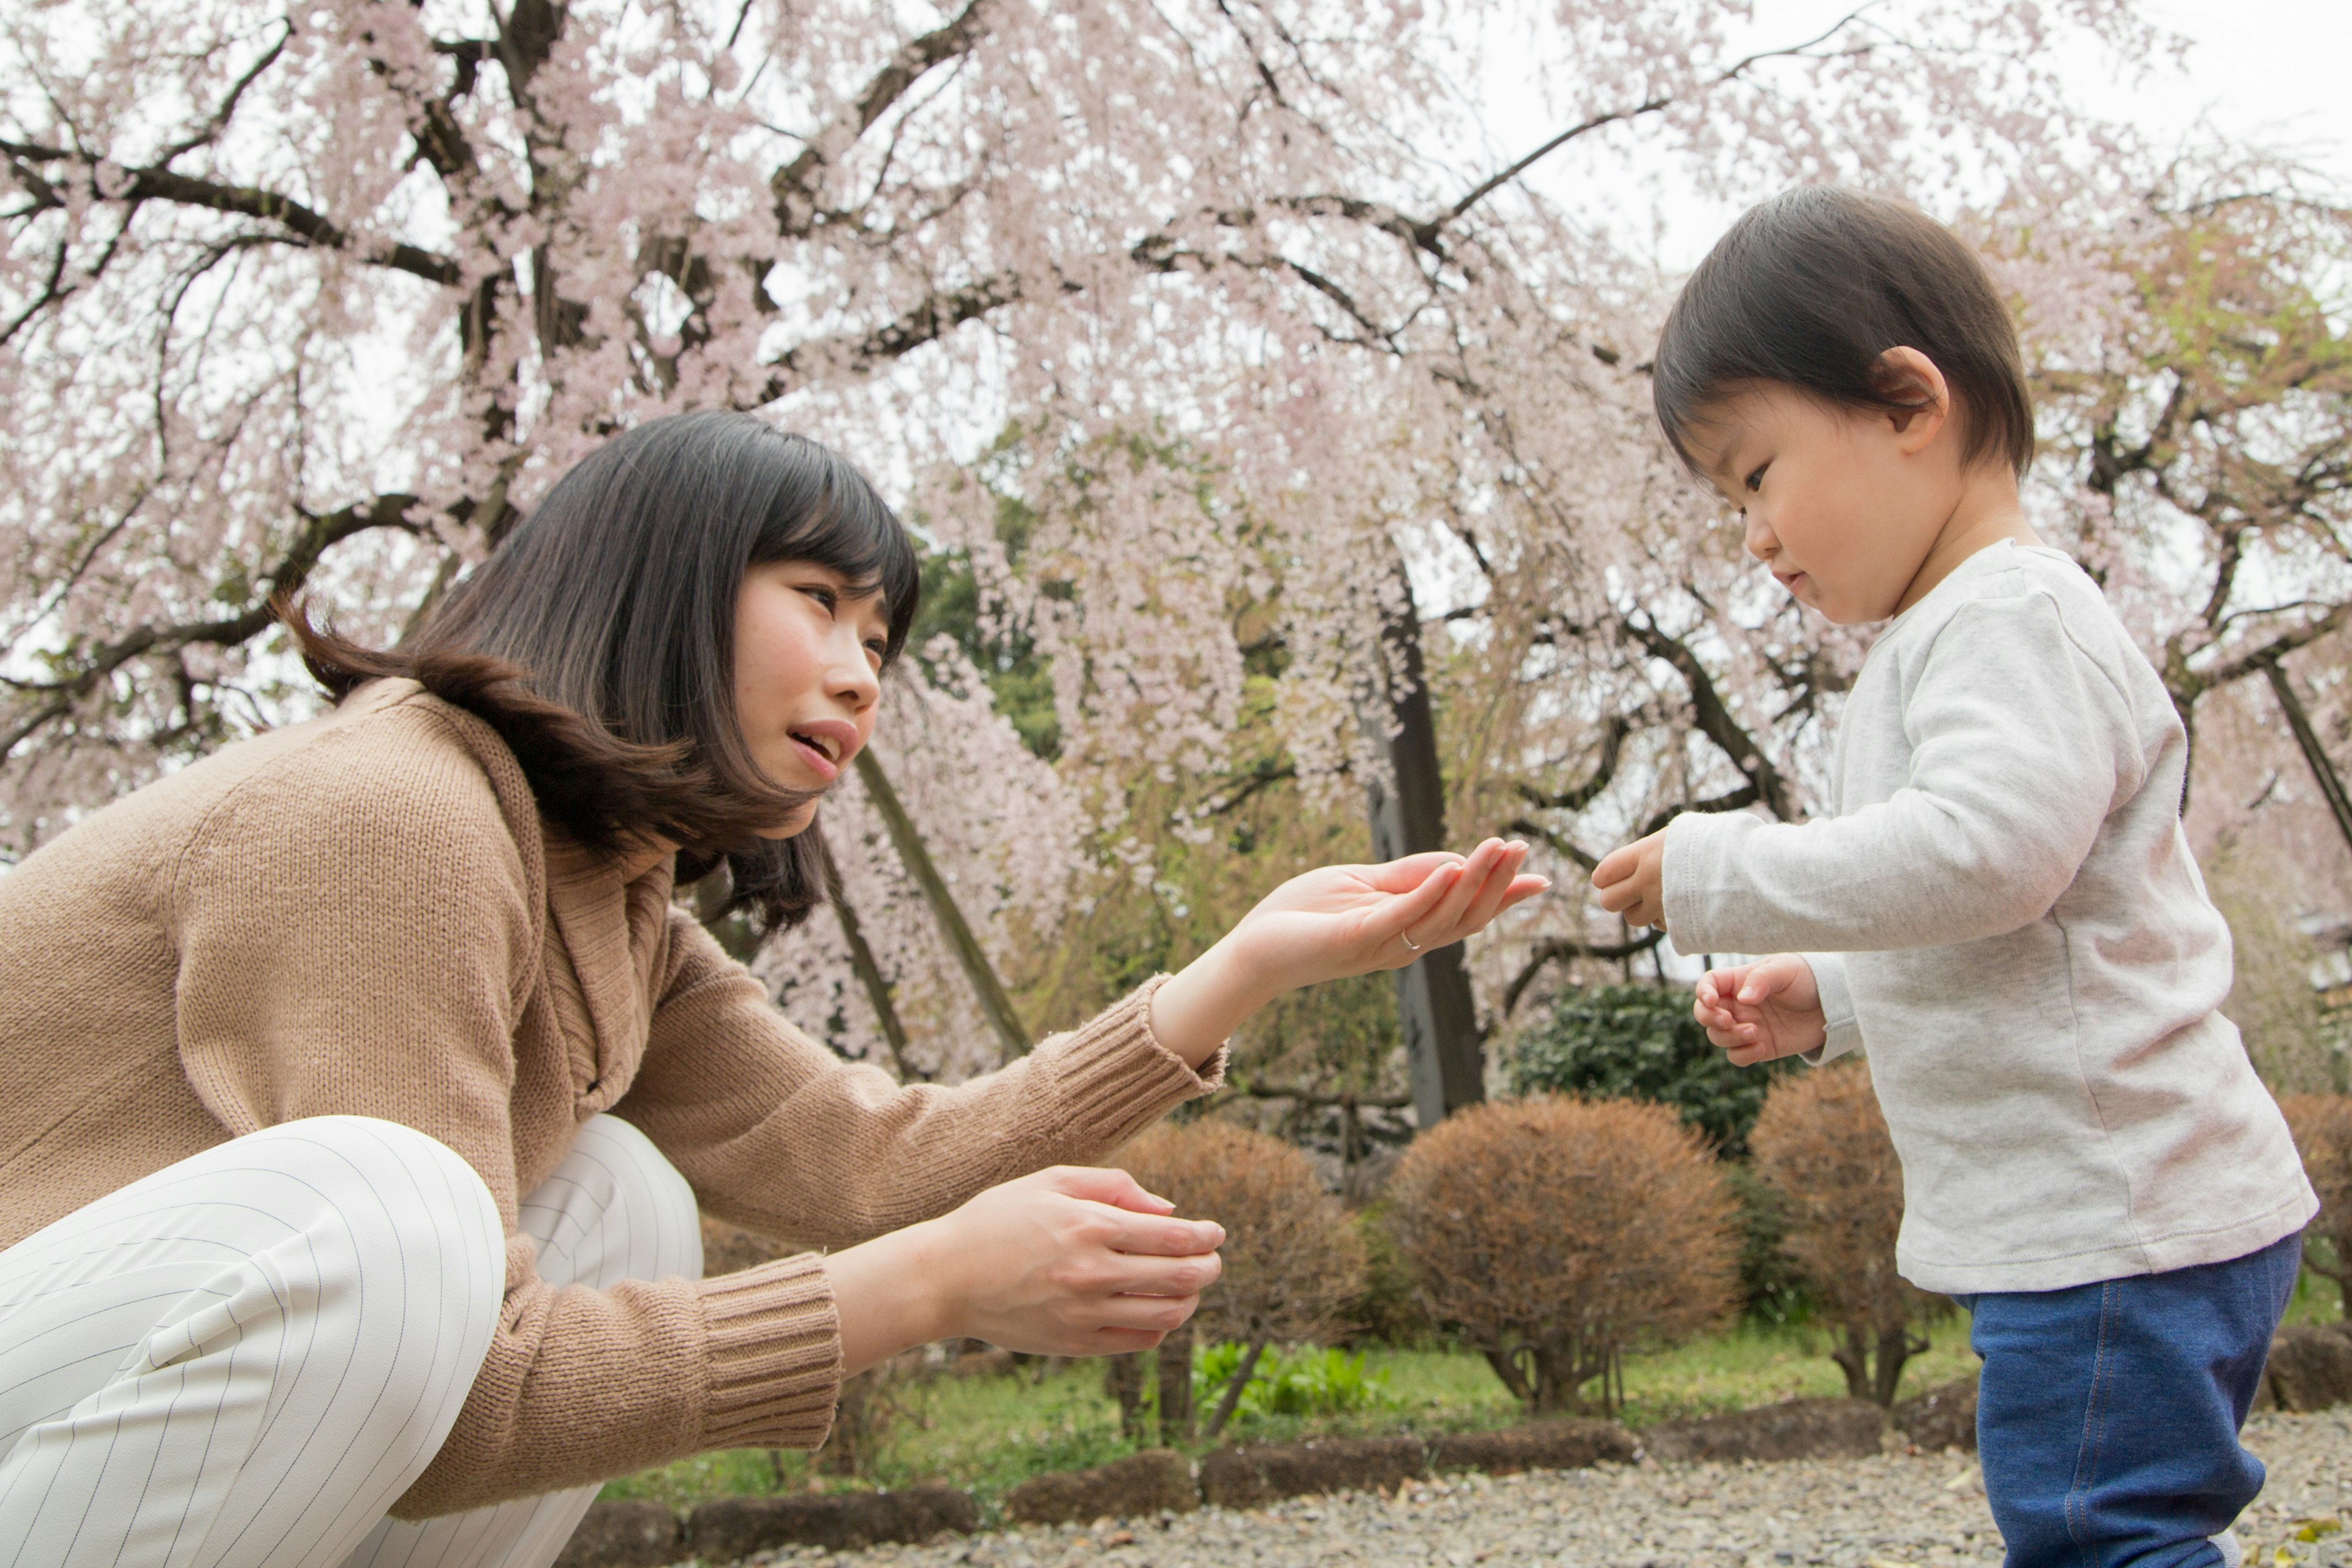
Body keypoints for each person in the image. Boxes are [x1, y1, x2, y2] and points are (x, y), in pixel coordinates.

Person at [0, 410, 1547, 1568]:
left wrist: (1235, 970)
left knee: (615, 1191)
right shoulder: (390, 814)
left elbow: (873, 1160)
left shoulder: (609, 895)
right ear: (655, 586)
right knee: (404, 1215)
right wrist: (929, 1289)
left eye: (879, 635)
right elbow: (464, 1389)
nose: (867, 673)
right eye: (818, 600)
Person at [1589, 188, 2315, 1568]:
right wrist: (1836, 995)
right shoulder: (1947, 634)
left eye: (1757, 473)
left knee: (2104, 1539)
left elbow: (1990, 856)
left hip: (2118, 1216)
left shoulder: (2008, 615)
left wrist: (1722, 866)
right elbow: (2007, 918)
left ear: (1907, 402)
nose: (1751, 533)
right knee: (2100, 1528)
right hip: (2109, 1215)